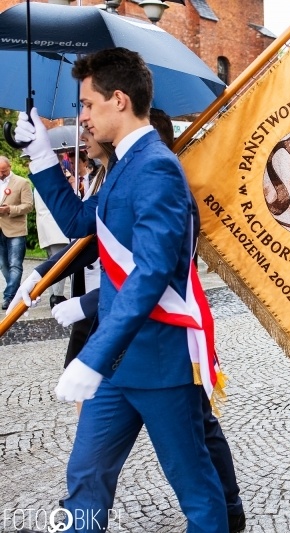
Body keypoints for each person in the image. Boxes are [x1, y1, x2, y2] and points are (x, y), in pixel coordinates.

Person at [13, 48, 228, 531]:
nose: (83, 117)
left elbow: (151, 273)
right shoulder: (125, 165)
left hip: (159, 361)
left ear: (119, 100)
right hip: (116, 365)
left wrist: (91, 356)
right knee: (86, 475)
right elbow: (79, 223)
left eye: (88, 105)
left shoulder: (155, 167)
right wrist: (41, 157)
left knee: (194, 486)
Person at [32, 166, 70, 308]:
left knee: (51, 263)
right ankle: (57, 296)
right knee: (60, 263)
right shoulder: (51, 184)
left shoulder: (39, 184)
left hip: (46, 229)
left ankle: (54, 295)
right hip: (56, 228)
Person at [0, 155, 34, 310]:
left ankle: (9, 296)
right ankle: (16, 291)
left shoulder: (22, 182)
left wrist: (10, 209)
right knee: (3, 265)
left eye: (4, 171)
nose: (1, 174)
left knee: (15, 264)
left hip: (16, 230)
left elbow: (28, 206)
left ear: (10, 167)